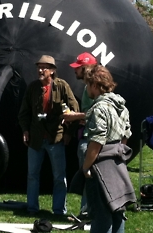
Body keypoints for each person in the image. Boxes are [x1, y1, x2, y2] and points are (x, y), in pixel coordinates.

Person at [18, 55, 80, 215]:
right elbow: (23, 112)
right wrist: (25, 130)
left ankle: (59, 210)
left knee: (59, 177)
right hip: (36, 139)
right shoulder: (32, 87)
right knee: (32, 175)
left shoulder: (62, 86)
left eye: (44, 67)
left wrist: (69, 133)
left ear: (52, 71)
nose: (40, 70)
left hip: (56, 138)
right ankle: (32, 208)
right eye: (39, 67)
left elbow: (75, 110)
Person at [82, 65, 136, 233]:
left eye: (88, 84)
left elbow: (97, 142)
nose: (87, 88)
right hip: (118, 162)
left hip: (102, 166)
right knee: (118, 210)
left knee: (101, 215)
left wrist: (85, 167)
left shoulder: (99, 108)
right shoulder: (121, 105)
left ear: (95, 85)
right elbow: (126, 134)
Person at [63, 52, 98, 218]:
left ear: (85, 68)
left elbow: (95, 113)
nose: (75, 71)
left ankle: (87, 212)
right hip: (86, 136)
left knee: (88, 175)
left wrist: (73, 116)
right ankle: (88, 211)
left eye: (78, 68)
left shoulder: (93, 88)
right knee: (87, 176)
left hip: (91, 139)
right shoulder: (87, 88)